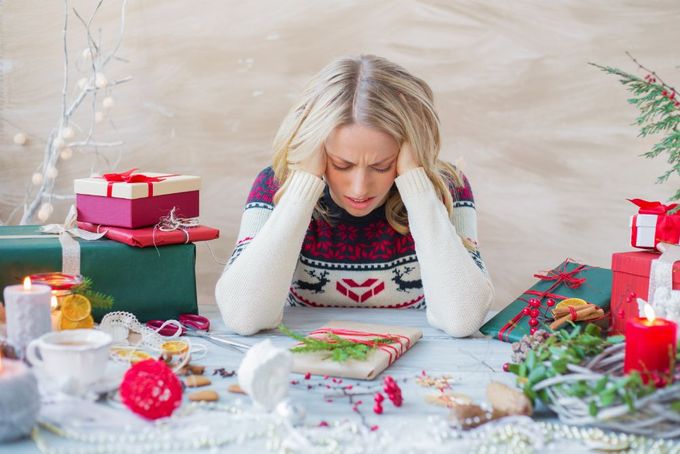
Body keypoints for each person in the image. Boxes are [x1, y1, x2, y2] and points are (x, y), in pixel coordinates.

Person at [215, 55, 494, 337]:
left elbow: (462, 318)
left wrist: (416, 184)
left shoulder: (447, 188)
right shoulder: (274, 186)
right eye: (342, 165)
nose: (360, 188)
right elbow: (243, 316)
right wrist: (302, 186)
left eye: (381, 166)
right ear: (319, 150)